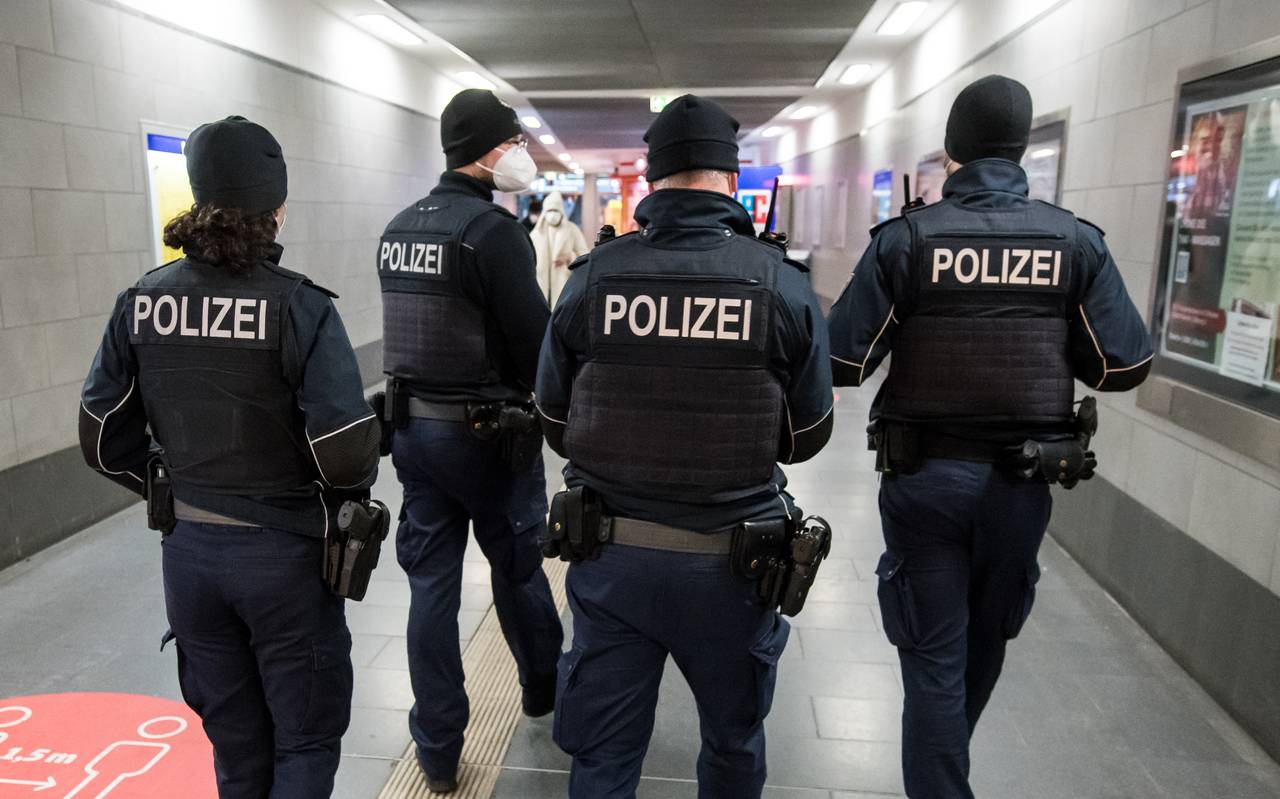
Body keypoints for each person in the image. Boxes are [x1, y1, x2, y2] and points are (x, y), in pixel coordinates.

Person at [826, 75, 1154, 799]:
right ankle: (946, 777)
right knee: (981, 642)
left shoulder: (907, 240)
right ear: (1021, 148)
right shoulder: (1074, 243)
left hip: (925, 481)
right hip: (1022, 485)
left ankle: (943, 780)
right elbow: (1123, 363)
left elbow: (842, 357)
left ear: (951, 151)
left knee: (934, 656)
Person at [536, 94, 835, 799]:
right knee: (732, 744)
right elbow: (809, 434)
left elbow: (554, 414)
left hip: (614, 559)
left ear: (652, 181)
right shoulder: (781, 286)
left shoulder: (594, 281)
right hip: (734, 564)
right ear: (730, 181)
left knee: (604, 757)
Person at [79, 116, 380, 798]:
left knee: (236, 742)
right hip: (283, 558)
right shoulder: (299, 308)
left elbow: (100, 436)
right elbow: (344, 451)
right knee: (303, 741)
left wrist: (167, 482)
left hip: (189, 557)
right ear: (275, 210)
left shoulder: (143, 301)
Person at [376, 88, 564, 794]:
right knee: (517, 569)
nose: (522, 154)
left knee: (431, 588)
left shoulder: (398, 228)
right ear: (490, 151)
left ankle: (438, 746)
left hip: (413, 436)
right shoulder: (491, 233)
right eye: (514, 142)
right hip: (490, 439)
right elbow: (534, 346)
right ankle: (545, 688)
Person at [530, 190, 590, 306]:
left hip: (564, 282)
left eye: (555, 210)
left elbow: (585, 257)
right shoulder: (536, 234)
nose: (552, 214)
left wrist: (569, 258)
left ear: (561, 211)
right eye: (549, 211)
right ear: (544, 212)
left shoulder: (572, 230)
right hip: (540, 285)